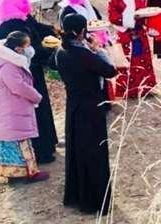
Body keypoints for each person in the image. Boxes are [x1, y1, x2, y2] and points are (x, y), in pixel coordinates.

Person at [48, 13, 116, 216]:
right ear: (81, 31)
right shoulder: (84, 55)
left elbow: (51, 64)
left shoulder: (61, 50)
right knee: (95, 152)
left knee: (77, 150)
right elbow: (110, 71)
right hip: (91, 106)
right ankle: (95, 199)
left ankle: (77, 195)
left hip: (74, 104)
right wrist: (98, 50)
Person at [0, 0, 57, 164]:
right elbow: (30, 48)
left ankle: (44, 147)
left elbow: (38, 28)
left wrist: (55, 31)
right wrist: (50, 52)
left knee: (34, 115)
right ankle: (38, 153)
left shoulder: (17, 19)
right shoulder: (10, 26)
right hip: (20, 76)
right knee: (28, 115)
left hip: (26, 72)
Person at [0, 31, 49, 184]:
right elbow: (19, 87)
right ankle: (25, 174)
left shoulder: (10, 63)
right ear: (18, 49)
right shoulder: (9, 66)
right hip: (11, 111)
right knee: (18, 143)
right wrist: (36, 96)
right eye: (27, 46)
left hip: (13, 110)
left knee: (14, 142)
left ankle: (17, 174)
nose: (30, 49)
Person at [107, 0, 158, 98]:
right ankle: (129, 91)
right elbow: (113, 17)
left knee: (144, 60)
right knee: (126, 62)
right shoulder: (113, 1)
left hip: (140, 33)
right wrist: (132, 18)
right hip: (125, 34)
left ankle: (146, 88)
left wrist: (148, 20)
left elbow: (145, 13)